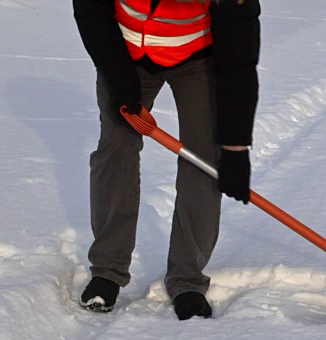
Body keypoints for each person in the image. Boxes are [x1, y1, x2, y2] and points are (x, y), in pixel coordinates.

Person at [72, 0, 260, 320]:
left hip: (198, 56)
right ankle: (107, 270)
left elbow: (238, 58)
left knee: (203, 160)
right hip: (125, 51)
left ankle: (187, 279)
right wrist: (120, 81)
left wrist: (235, 149)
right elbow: (91, 9)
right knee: (115, 148)